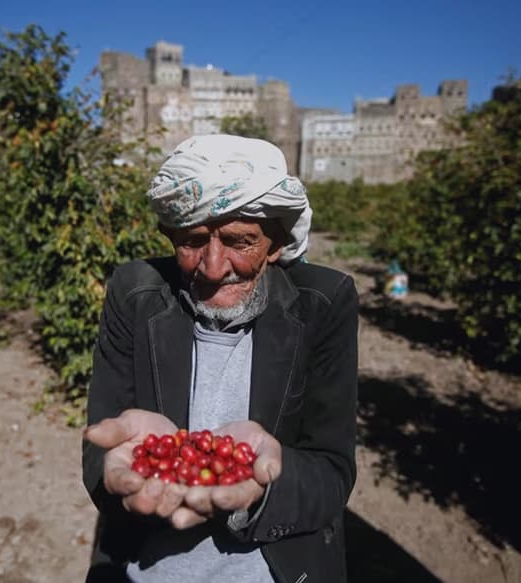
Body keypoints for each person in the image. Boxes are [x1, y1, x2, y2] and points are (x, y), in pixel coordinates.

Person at [82, 134, 358, 583]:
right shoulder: (134, 295)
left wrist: (263, 487)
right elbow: (102, 452)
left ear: (275, 245)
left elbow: (331, 469)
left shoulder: (323, 305)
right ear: (169, 235)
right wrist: (121, 475)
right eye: (192, 240)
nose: (213, 266)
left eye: (240, 241)